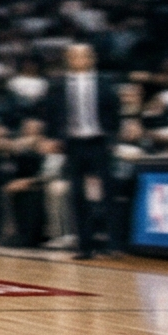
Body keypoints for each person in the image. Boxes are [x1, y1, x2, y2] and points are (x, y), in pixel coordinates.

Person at [46, 42, 124, 257]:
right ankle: (85, 246)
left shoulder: (106, 82)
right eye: (75, 56)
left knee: (109, 193)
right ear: (68, 59)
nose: (80, 60)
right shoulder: (58, 84)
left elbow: (115, 111)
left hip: (99, 142)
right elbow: (52, 112)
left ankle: (114, 244)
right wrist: (54, 138)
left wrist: (113, 137)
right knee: (77, 196)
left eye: (84, 56)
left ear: (92, 58)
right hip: (74, 145)